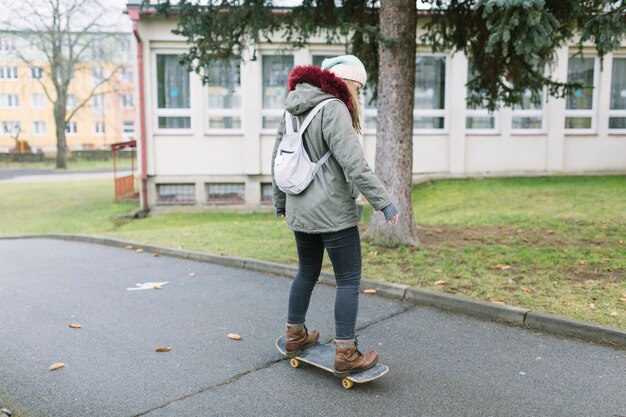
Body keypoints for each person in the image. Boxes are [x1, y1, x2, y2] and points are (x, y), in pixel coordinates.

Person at [271, 54, 399, 376]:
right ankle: (345, 353)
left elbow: (277, 160)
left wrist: (281, 203)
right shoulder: (333, 108)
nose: (358, 93)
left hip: (300, 211)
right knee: (347, 280)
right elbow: (354, 164)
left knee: (306, 273)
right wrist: (384, 202)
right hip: (333, 215)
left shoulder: (291, 107)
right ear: (346, 82)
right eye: (358, 86)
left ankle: (294, 335)